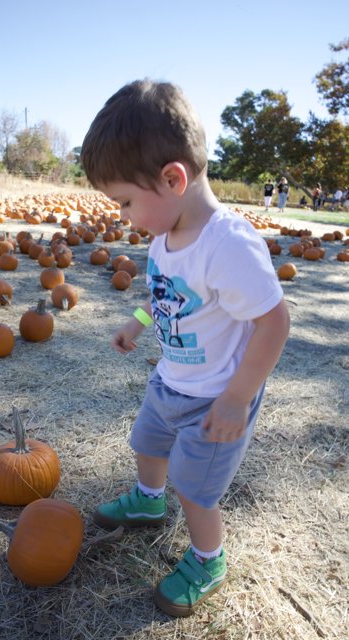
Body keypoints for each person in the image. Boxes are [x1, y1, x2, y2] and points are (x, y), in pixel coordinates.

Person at [80, 79, 290, 618]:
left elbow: (274, 322)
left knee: (195, 489)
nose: (125, 216)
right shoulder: (162, 238)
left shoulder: (227, 244)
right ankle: (148, 504)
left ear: (173, 178)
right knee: (147, 445)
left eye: (126, 201)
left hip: (216, 397)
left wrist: (237, 398)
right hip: (170, 380)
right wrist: (137, 322)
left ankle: (208, 558)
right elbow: (164, 295)